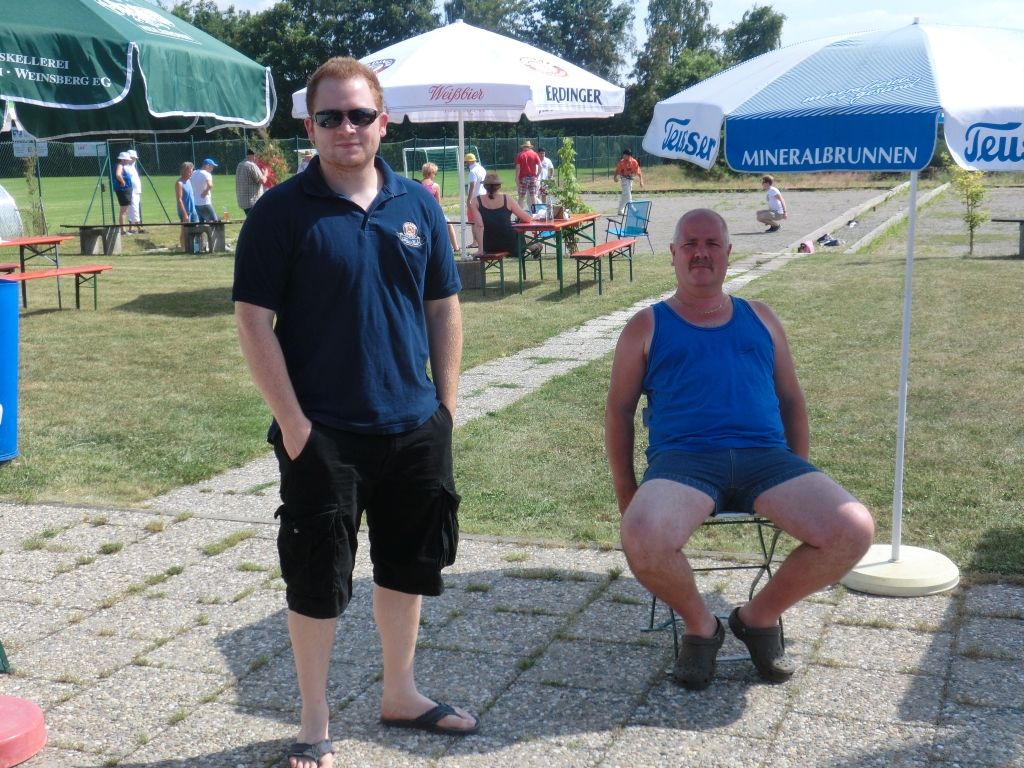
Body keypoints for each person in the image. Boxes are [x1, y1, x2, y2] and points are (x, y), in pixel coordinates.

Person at [232, 56, 478, 768]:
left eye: (360, 114)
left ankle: (400, 692)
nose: (347, 127)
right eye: (330, 116)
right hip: (323, 434)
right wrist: (295, 426)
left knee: (407, 567)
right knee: (317, 577)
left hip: (413, 426)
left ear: (383, 122)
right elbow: (253, 322)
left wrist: (445, 408)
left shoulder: (417, 205)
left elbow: (444, 307)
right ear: (310, 127)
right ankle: (314, 722)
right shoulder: (280, 212)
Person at [605, 208, 874, 692]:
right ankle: (700, 626)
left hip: (766, 458)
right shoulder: (646, 326)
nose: (701, 253)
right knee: (641, 534)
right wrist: (627, 492)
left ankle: (757, 617)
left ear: (729, 253)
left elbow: (791, 399)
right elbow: (619, 411)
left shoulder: (761, 317)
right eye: (690, 244)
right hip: (684, 462)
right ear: (673, 254)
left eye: (712, 244)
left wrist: (798, 470)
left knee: (853, 528)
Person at [471, 171, 542, 259]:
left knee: (519, 238)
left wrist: (480, 250)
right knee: (520, 238)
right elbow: (527, 219)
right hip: (510, 243)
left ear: (484, 186)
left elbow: (479, 226)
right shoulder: (506, 198)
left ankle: (535, 246)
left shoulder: (476, 201)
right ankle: (535, 247)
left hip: (489, 244)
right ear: (499, 186)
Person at [421, 162, 459, 254]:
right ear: (431, 173)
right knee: (449, 224)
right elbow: (438, 203)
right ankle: (456, 247)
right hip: (432, 212)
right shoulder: (435, 186)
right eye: (435, 173)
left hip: (421, 211)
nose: (435, 175)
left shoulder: (418, 184)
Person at [174, 162, 203, 252]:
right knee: (184, 230)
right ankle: (184, 249)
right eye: (189, 171)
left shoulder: (189, 181)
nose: (191, 173)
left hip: (193, 210)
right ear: (183, 171)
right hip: (185, 212)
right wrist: (184, 214)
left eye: (192, 171)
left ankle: (196, 248)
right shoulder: (179, 183)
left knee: (197, 229)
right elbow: (179, 199)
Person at [235, 148, 267, 216]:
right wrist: (265, 175)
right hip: (253, 201)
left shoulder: (239, 165)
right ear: (254, 156)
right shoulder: (252, 166)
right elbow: (262, 180)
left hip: (243, 201)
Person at [464, 152, 485, 249]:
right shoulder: (482, 169)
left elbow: (472, 186)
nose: (466, 164)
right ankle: (482, 239)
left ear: (468, 162)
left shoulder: (472, 172)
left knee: (472, 221)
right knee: (482, 219)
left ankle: (475, 241)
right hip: (483, 196)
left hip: (475, 198)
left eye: (466, 162)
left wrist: (468, 200)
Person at [613, 148, 644, 216]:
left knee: (624, 195)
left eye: (625, 156)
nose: (623, 157)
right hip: (624, 180)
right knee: (628, 195)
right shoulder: (622, 162)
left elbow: (639, 172)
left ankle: (620, 210)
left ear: (629, 156)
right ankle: (632, 209)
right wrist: (615, 177)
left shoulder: (634, 162)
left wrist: (641, 181)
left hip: (630, 180)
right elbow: (617, 170)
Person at [514, 140, 541, 211]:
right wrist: (537, 175)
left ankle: (520, 214)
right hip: (533, 177)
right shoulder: (535, 154)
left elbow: (518, 168)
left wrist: (517, 178)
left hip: (523, 177)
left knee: (521, 197)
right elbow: (540, 166)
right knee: (533, 196)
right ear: (530, 147)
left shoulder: (520, 155)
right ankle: (535, 212)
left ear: (523, 147)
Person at [192, 158, 219, 222]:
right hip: (205, 202)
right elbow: (210, 185)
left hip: (196, 202)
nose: (212, 169)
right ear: (207, 165)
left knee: (200, 222)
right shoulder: (207, 174)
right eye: (212, 167)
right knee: (214, 221)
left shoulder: (194, 172)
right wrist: (206, 191)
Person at [113, 151, 133, 234]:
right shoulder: (120, 166)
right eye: (127, 160)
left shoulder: (121, 166)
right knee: (123, 211)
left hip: (125, 190)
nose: (128, 161)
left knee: (125, 211)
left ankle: (123, 229)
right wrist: (122, 181)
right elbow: (118, 174)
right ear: (123, 160)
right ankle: (123, 230)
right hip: (123, 190)